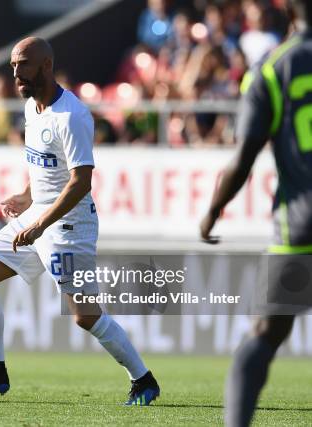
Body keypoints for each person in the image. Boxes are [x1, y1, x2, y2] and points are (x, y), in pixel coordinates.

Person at [0, 37, 160, 405]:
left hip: (68, 227)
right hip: (37, 217)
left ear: (46, 65)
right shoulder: (33, 108)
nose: (17, 73)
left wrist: (41, 223)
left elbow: (81, 181)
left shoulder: (72, 115)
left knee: (85, 316)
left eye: (24, 65)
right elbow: (46, 165)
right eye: (14, 66)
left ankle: (143, 380)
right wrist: (27, 196)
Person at [200, 1, 311, 425]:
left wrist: (213, 211)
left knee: (264, 336)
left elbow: (244, 157)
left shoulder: (271, 67)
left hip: (300, 225)